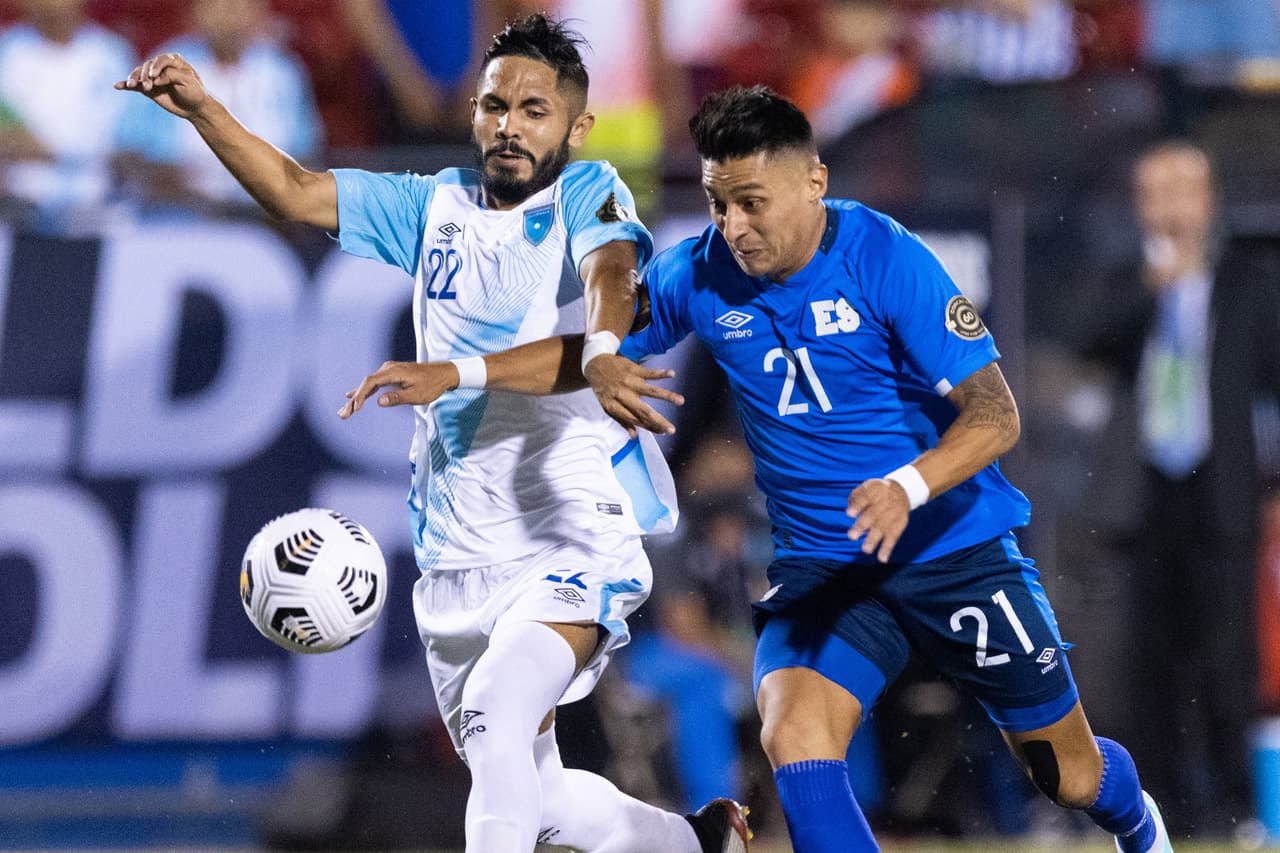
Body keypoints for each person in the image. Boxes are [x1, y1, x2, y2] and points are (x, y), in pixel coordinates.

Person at [344, 86, 1176, 853]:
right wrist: (459, 372)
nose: (734, 225)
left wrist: (907, 484)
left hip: (952, 551)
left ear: (813, 182)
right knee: (795, 738)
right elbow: (592, 354)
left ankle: (1140, 821)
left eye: (751, 203)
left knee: (1064, 776)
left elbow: (997, 416)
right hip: (826, 567)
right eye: (716, 202)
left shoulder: (887, 257)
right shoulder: (699, 270)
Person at [116, 13, 750, 853]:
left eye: (534, 109)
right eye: (496, 106)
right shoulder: (432, 204)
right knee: (536, 788)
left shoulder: (589, 194)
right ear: (474, 112)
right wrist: (204, 113)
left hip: (571, 526)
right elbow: (297, 190)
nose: (511, 125)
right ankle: (698, 844)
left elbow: (610, 282)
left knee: (495, 710)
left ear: (576, 126)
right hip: (459, 546)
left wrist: (585, 351)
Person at [1081, 141, 1280, 838]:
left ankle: (1237, 807)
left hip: (1221, 494)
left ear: (1209, 200)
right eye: (1154, 192)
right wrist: (1152, 288)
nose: (1168, 205)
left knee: (1230, 660)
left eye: (1182, 190)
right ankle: (1157, 810)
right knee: (1148, 666)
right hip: (1143, 495)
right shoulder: (1125, 279)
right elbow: (1089, 342)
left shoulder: (1249, 281)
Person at [116, 0, 322, 217]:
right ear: (196, 12)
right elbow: (130, 156)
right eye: (217, 4)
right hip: (180, 222)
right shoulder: (165, 69)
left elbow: (306, 157)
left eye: (238, 4)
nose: (228, 14)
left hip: (268, 223)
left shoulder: (283, 71)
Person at [0, 0, 135, 233]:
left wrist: (53, 153)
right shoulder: (8, 49)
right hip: (16, 203)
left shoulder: (112, 53)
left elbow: (130, 136)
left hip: (95, 203)